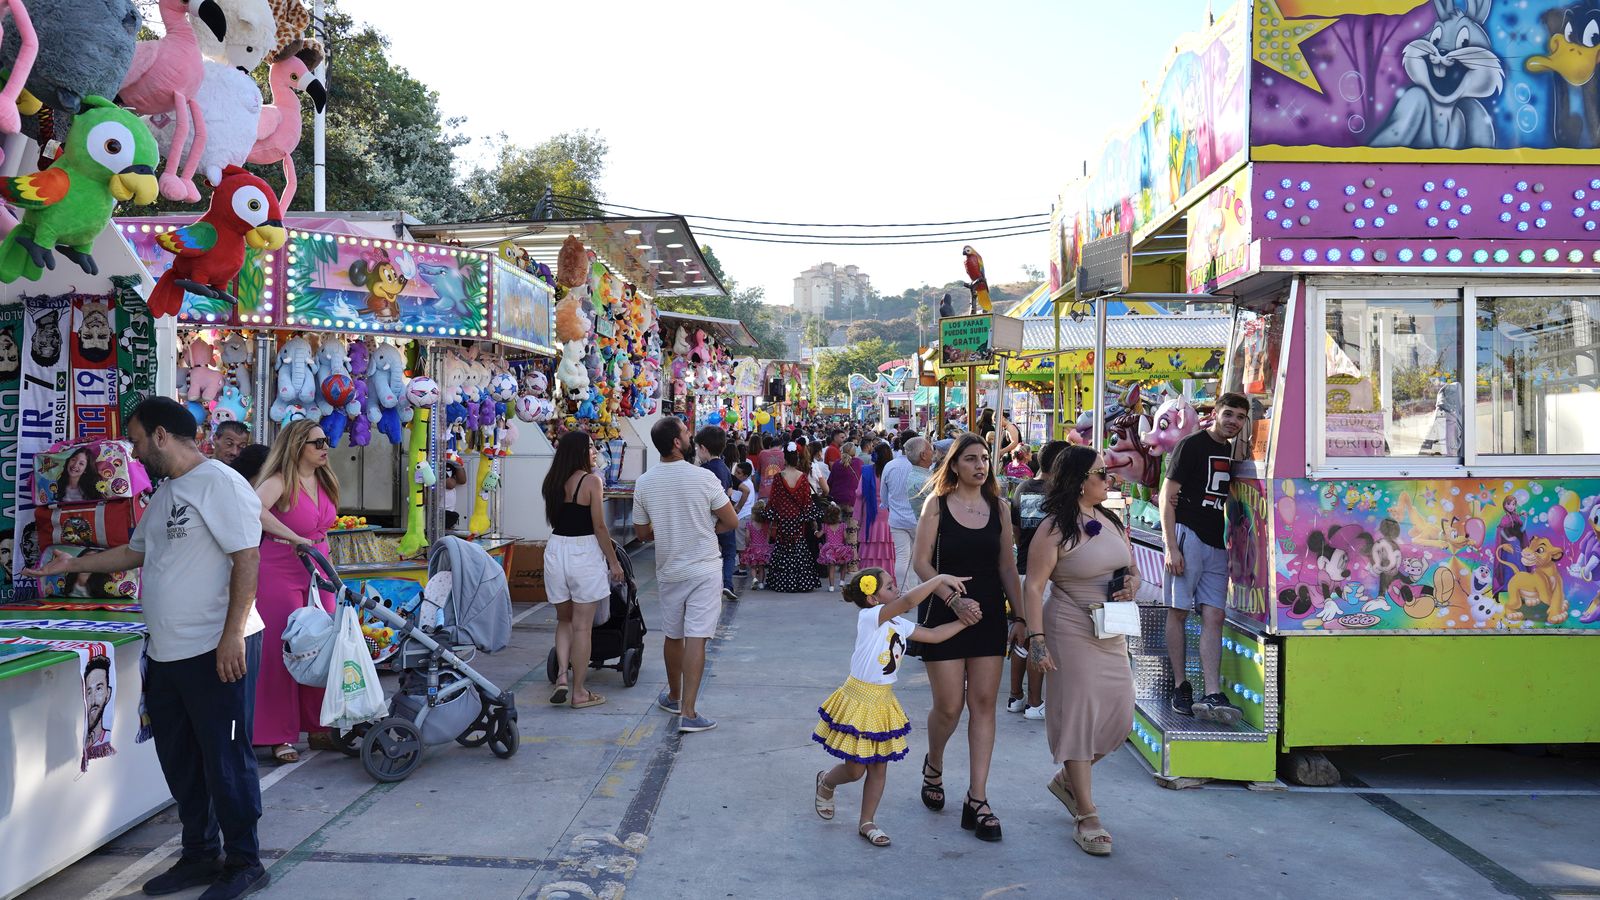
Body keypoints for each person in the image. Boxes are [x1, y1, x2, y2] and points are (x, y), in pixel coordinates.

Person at [27, 397, 269, 899]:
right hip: (167, 654)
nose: (133, 454)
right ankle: (200, 855)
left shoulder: (222, 485)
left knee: (225, 759)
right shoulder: (165, 493)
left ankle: (244, 861)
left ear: (161, 436)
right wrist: (69, 565)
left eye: (136, 441)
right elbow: (136, 552)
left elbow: (247, 558)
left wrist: (231, 636)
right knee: (180, 759)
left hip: (215, 650)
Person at [1021, 445, 1141, 857]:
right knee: (1079, 717)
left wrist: (1132, 584)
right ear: (1078, 481)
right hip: (1069, 624)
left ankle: (1068, 782)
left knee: (1120, 716)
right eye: (1100, 473)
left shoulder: (1109, 517)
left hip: (1110, 628)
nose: (1107, 480)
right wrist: (1036, 640)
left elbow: (1129, 567)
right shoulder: (1053, 528)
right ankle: (1087, 815)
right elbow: (1033, 586)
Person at [909, 433, 1024, 843]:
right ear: (954, 465)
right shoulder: (937, 505)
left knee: (983, 705)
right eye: (971, 458)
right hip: (944, 610)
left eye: (985, 459)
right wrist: (952, 599)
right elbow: (921, 562)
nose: (981, 465)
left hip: (989, 613)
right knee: (949, 706)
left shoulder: (1000, 508)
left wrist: (1021, 616)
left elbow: (1008, 567)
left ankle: (978, 798)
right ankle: (934, 763)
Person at [812, 567, 976, 848]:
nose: (895, 587)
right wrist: (938, 580)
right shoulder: (870, 618)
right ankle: (827, 781)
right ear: (874, 599)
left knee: (878, 768)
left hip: (883, 702)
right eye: (889, 586)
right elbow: (911, 601)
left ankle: (867, 822)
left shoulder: (899, 624)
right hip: (858, 700)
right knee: (855, 770)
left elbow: (934, 635)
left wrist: (966, 621)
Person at [633, 417, 737, 734]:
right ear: (677, 443)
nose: (690, 436)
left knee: (673, 635)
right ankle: (689, 712)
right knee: (697, 638)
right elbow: (730, 521)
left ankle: (675, 696)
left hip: (669, 569)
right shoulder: (704, 479)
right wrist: (705, 528)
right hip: (704, 567)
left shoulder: (645, 482)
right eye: (685, 432)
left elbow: (641, 532)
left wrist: (667, 531)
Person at [251, 419, 339, 764]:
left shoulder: (324, 480)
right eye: (317, 442)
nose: (324, 448)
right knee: (281, 651)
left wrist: (333, 573)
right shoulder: (279, 481)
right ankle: (277, 735)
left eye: (326, 441)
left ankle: (319, 726)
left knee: (323, 647)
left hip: (318, 568)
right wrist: (292, 537)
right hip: (279, 569)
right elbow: (252, 509)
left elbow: (323, 530)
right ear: (296, 446)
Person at [1162, 392, 1250, 725]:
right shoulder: (1192, 445)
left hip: (1217, 541)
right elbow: (1167, 496)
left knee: (1214, 615)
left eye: (1240, 417)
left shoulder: (1231, 451)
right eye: (1229, 414)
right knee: (1179, 610)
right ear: (1215, 413)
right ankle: (1181, 685)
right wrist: (1171, 546)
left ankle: (1211, 690)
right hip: (1188, 535)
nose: (1233, 422)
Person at [543, 431, 626, 710]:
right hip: (584, 553)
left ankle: (561, 678)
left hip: (555, 550)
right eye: (590, 447)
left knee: (564, 620)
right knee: (582, 627)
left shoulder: (552, 481)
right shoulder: (592, 481)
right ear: (578, 452)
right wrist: (614, 563)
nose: (594, 452)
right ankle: (579, 693)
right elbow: (599, 527)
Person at [1008, 440, 1069, 720]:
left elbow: (1017, 532)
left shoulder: (1021, 488)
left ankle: (1015, 697)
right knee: (1035, 637)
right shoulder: (1059, 494)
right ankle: (1034, 702)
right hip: (1044, 575)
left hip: (1022, 567)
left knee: (1021, 634)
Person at [766, 441, 821, 593]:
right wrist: (812, 518)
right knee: (799, 545)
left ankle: (782, 581)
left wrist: (772, 516)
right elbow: (806, 499)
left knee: (783, 547)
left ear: (785, 458)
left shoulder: (778, 477)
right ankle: (801, 581)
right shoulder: (802, 477)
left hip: (783, 517)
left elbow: (774, 498)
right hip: (797, 517)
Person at [696, 426, 740, 601]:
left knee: (706, 553)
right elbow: (730, 491)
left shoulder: (703, 470)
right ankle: (727, 584)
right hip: (726, 518)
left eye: (698, 448)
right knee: (729, 552)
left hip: (707, 518)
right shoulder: (724, 468)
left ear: (704, 448)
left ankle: (707, 587)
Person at [883, 436, 931, 592]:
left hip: (897, 518)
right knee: (922, 558)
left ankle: (904, 592)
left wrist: (890, 507)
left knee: (902, 557)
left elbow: (884, 495)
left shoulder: (890, 466)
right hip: (919, 520)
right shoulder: (922, 471)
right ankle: (922, 591)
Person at [856, 442, 895, 575]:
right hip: (889, 514)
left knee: (869, 550)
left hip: (870, 514)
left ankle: (868, 579)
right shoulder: (892, 472)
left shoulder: (867, 471)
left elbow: (859, 493)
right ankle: (888, 579)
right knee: (888, 552)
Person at [817, 502, 853, 591]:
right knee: (844, 563)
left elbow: (818, 535)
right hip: (840, 548)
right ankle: (842, 581)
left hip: (829, 549)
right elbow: (845, 537)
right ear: (838, 516)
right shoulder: (842, 526)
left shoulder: (825, 526)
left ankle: (831, 586)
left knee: (831, 567)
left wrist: (815, 531)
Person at [742, 499, 772, 589]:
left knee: (753, 566)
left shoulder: (749, 524)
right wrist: (766, 544)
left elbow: (747, 536)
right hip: (763, 548)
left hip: (753, 548)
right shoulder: (766, 524)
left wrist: (747, 544)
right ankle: (761, 583)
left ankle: (754, 578)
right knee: (762, 567)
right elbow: (768, 535)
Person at [829, 442, 861, 512]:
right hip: (852, 499)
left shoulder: (836, 463)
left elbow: (830, 481)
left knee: (838, 521)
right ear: (854, 452)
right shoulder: (859, 462)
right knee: (851, 522)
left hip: (837, 497)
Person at [442, 459, 467, 531]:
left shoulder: (451, 462)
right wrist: (453, 479)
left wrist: (458, 464)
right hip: (438, 510)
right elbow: (451, 484)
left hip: (449, 511)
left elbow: (462, 480)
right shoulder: (435, 462)